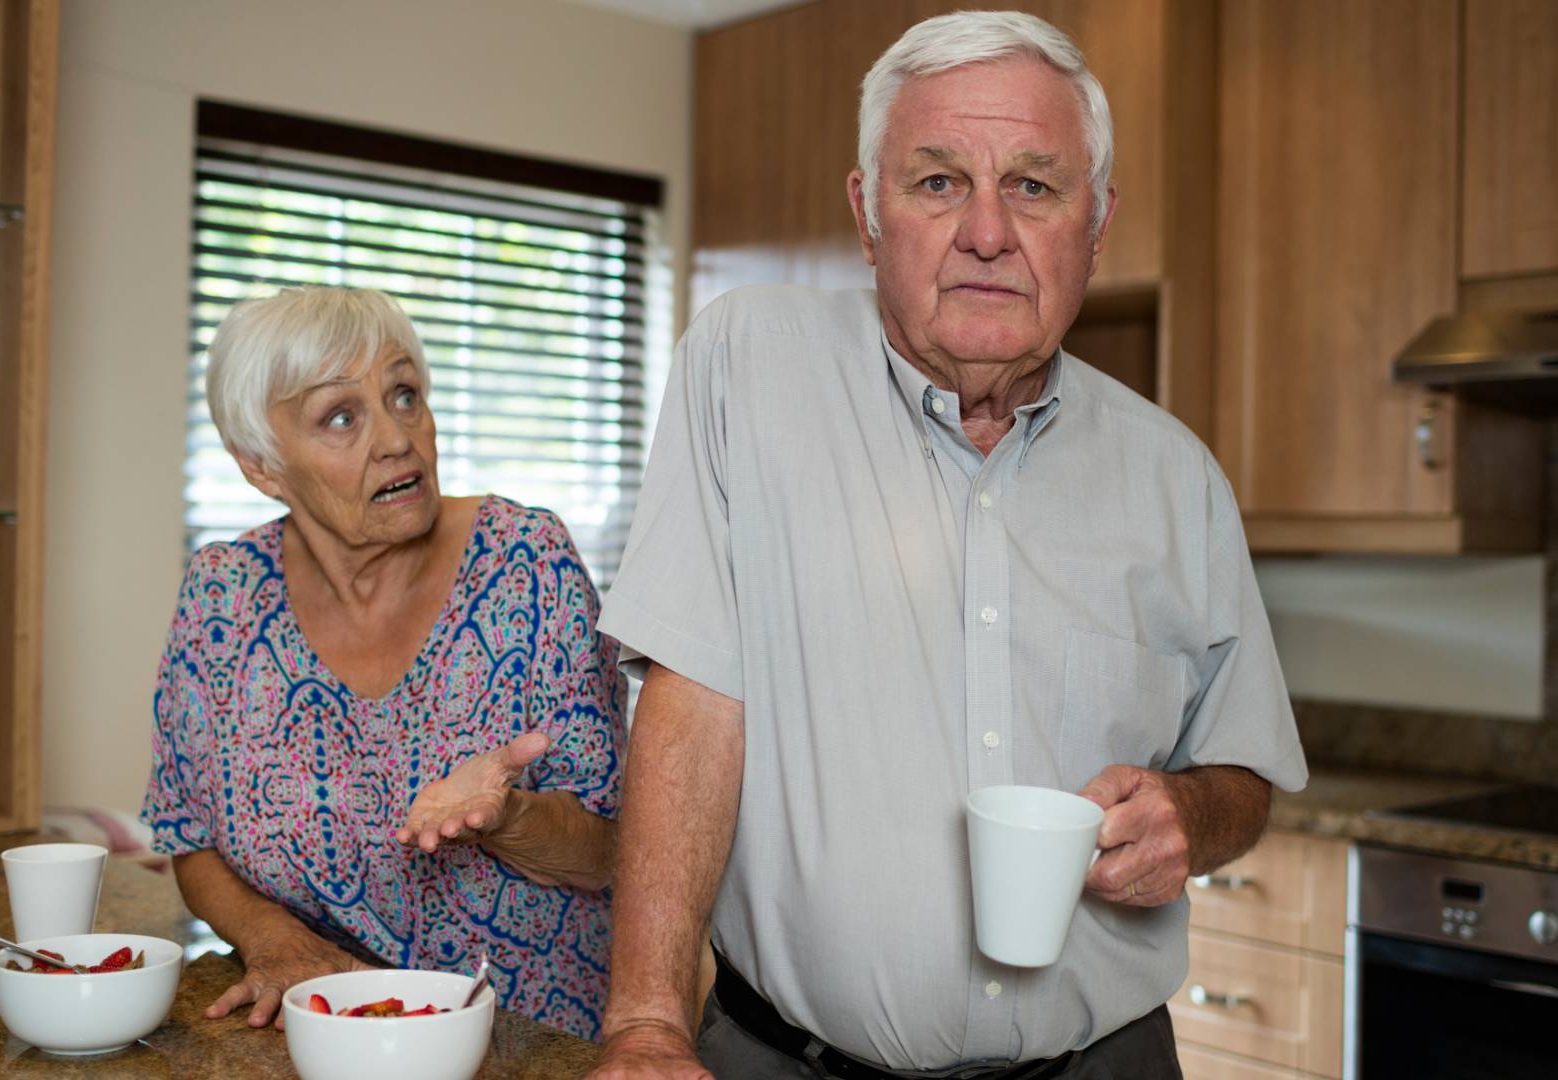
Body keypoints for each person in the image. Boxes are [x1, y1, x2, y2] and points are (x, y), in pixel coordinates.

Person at [588, 11, 1307, 1079]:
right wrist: (644, 1022)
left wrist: (1190, 819)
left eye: (1032, 184)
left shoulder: (1177, 476)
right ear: (867, 210)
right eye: (936, 183)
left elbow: (1243, 772)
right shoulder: (748, 369)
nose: (985, 232)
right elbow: (693, 705)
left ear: (1096, 219)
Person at [140, 286, 626, 1040]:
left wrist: (508, 817)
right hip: (318, 1033)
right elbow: (188, 835)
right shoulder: (222, 596)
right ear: (262, 466)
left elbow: (607, 853)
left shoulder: (527, 562)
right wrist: (276, 941)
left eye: (404, 395)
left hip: (526, 1044)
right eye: (341, 416)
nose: (398, 437)